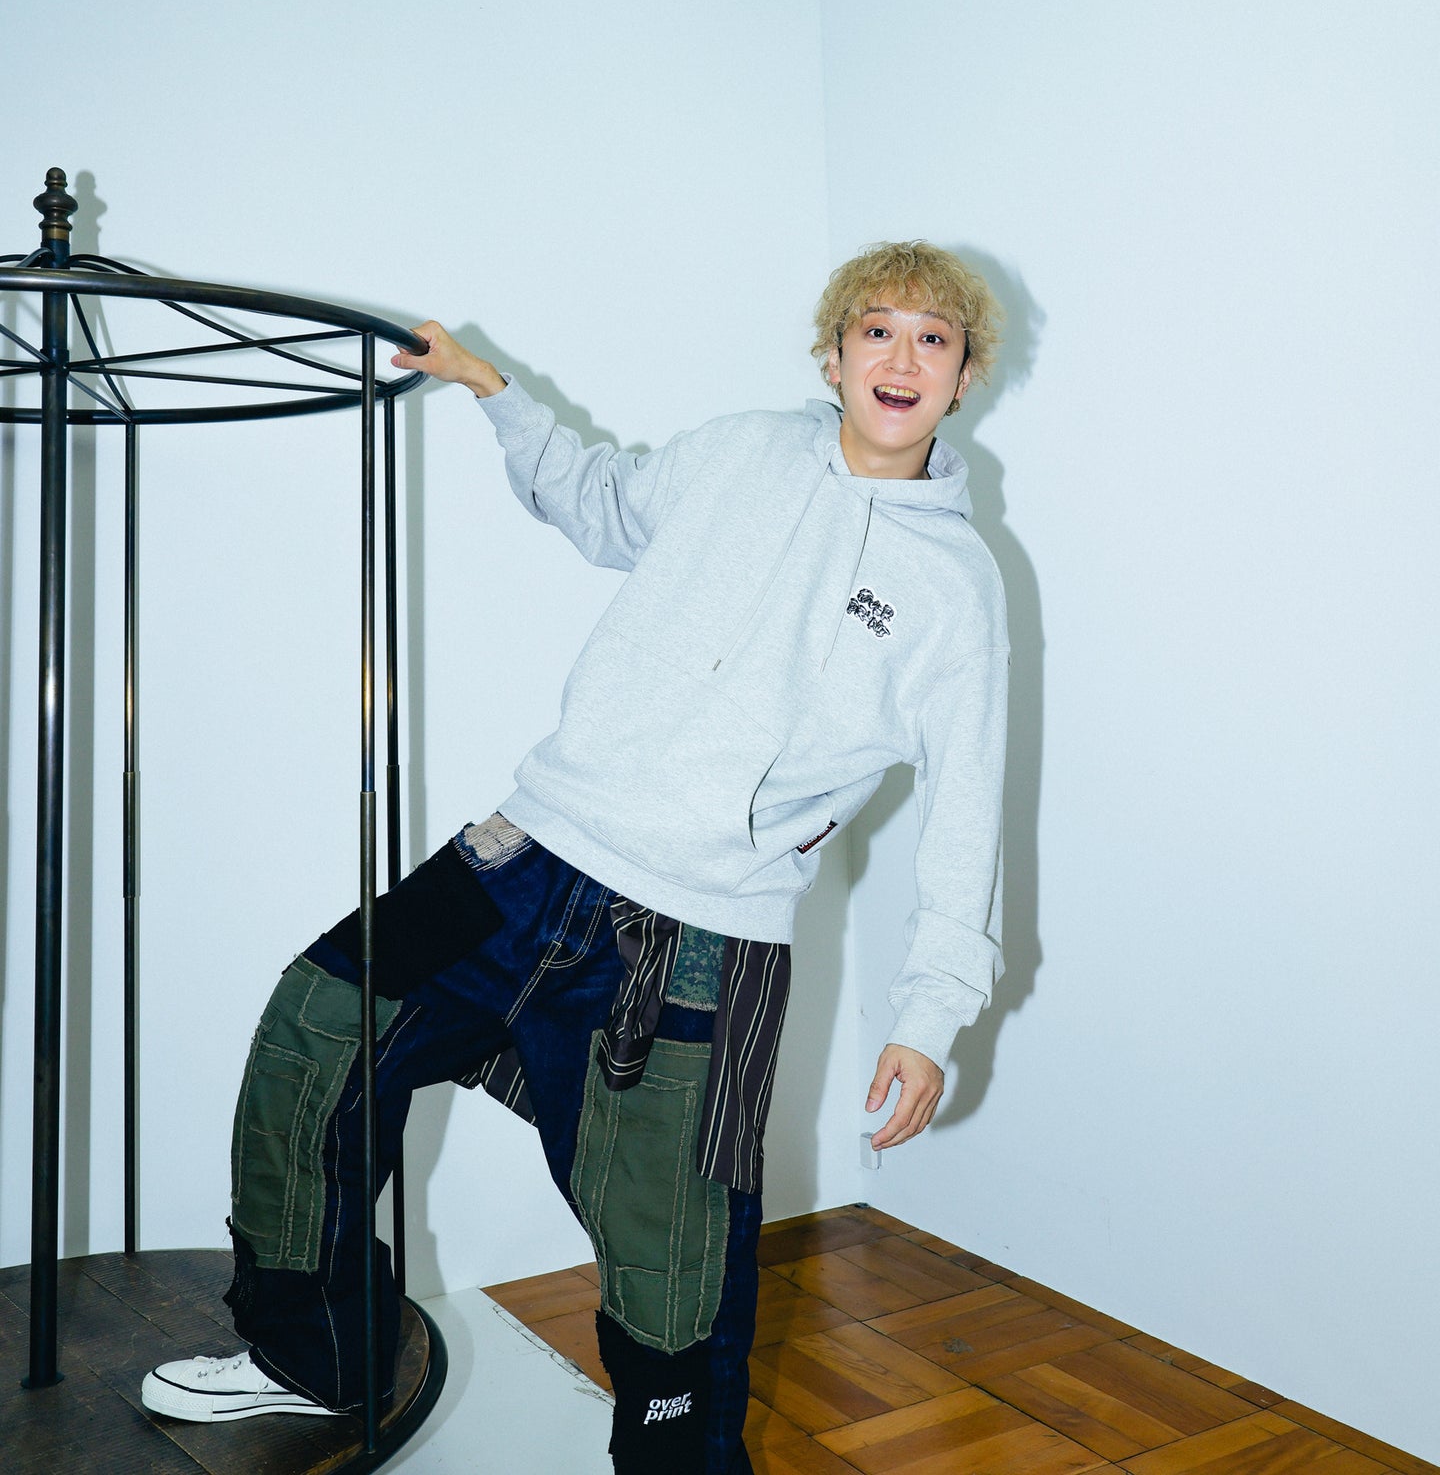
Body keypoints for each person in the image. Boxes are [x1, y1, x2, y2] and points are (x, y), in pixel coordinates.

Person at [140, 240, 1009, 1474]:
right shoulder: (739, 451)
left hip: (700, 937)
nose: (902, 357)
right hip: (529, 857)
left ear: (963, 378)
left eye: (934, 338)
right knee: (318, 1031)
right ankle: (313, 1359)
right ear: (833, 356)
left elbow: (968, 813)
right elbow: (603, 505)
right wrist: (494, 392)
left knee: (675, 1267)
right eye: (878, 329)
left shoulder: (957, 590)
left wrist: (930, 1015)